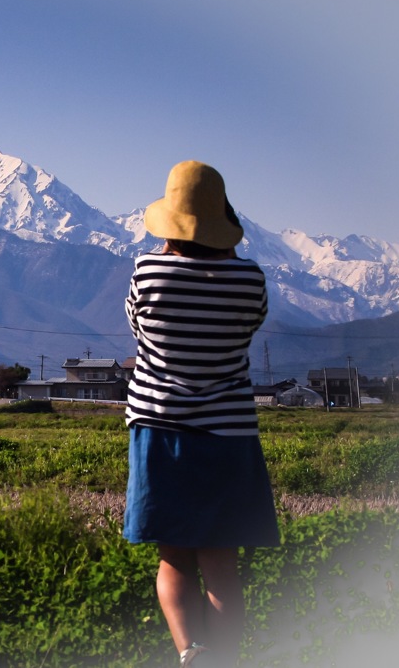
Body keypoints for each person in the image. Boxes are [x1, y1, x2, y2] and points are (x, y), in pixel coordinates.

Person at [123, 161, 280, 667]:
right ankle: (227, 658)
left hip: (160, 431)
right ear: (222, 219)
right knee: (221, 563)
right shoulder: (249, 279)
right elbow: (250, 326)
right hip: (228, 435)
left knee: (174, 559)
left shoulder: (148, 270)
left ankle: (191, 653)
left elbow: (138, 327)